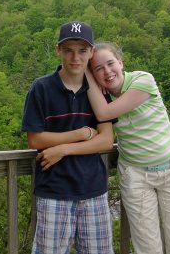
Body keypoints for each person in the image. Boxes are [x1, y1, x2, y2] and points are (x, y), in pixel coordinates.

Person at [86, 42, 170, 254]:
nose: (107, 71)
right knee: (147, 247)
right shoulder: (101, 97)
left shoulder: (143, 80)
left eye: (110, 63)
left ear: (121, 63)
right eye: (98, 69)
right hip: (135, 176)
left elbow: (104, 114)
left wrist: (88, 77)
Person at [21, 21, 116, 254]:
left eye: (82, 50)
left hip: (94, 190)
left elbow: (105, 141)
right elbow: (35, 140)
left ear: (91, 52)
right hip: (54, 190)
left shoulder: (97, 91)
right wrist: (81, 134)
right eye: (68, 50)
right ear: (58, 50)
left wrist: (63, 149)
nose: (75, 57)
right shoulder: (41, 88)